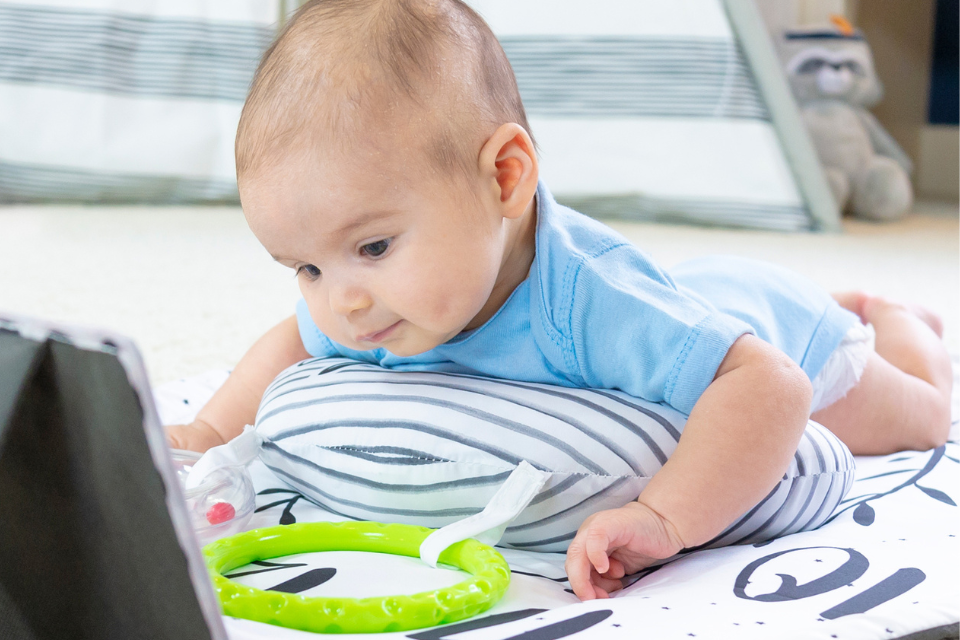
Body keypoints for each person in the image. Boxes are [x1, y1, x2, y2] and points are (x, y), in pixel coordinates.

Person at [166, 0, 953, 601]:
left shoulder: (588, 302)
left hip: (789, 331)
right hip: (689, 302)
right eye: (303, 266)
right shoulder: (363, 297)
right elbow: (289, 344)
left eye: (372, 247)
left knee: (924, 419)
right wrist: (205, 432)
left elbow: (771, 384)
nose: (341, 304)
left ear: (505, 178)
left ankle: (892, 318)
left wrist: (666, 520)